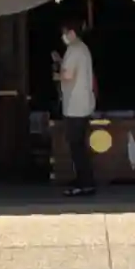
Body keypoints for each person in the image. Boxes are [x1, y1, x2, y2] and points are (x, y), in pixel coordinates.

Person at [57, 18, 97, 197]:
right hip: (83, 103)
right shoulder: (83, 48)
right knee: (79, 144)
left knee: (76, 146)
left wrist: (57, 73)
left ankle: (85, 183)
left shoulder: (74, 49)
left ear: (72, 33)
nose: (63, 36)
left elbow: (68, 75)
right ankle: (83, 179)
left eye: (65, 33)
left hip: (75, 105)